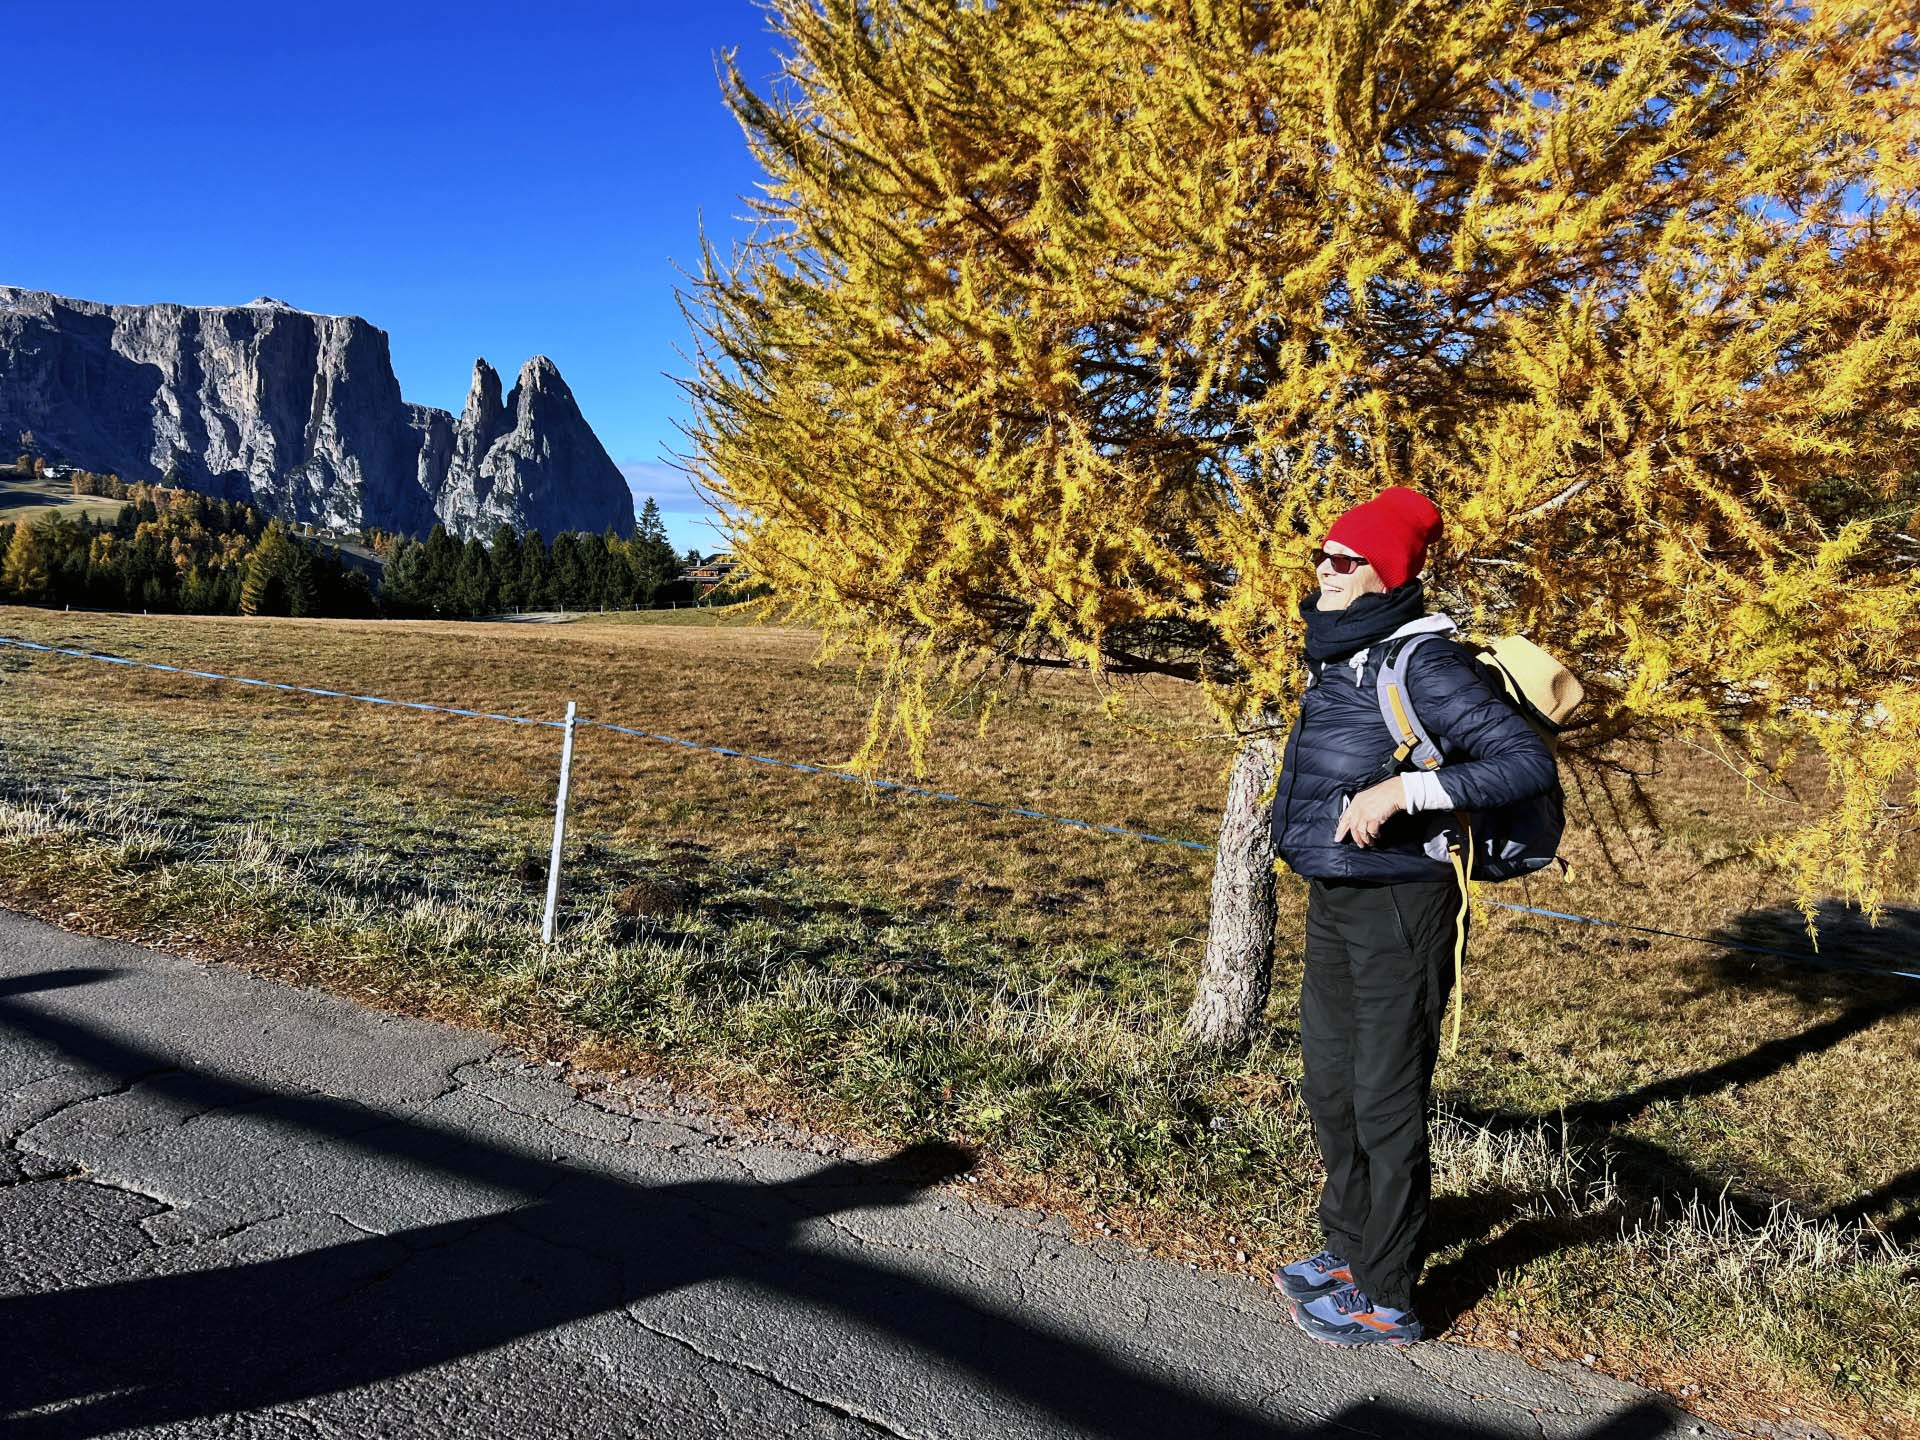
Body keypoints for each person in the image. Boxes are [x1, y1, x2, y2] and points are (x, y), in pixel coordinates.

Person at [1267, 486, 1556, 1347]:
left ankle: (1389, 1293)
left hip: (1402, 900)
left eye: (1344, 559)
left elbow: (1523, 761)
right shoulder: (1343, 654)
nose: (1325, 569)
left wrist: (1405, 790)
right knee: (1330, 1082)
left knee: (1384, 1093)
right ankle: (1348, 1247)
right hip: (1339, 890)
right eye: (1322, 554)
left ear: (1385, 573)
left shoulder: (1423, 662)